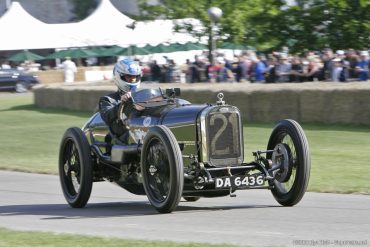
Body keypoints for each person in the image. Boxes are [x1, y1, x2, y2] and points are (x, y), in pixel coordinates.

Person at [98, 58, 142, 145]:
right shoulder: (107, 99)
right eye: (128, 77)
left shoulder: (142, 96)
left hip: (141, 129)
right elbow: (107, 116)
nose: (132, 80)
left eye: (134, 77)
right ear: (119, 76)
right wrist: (122, 103)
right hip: (122, 136)